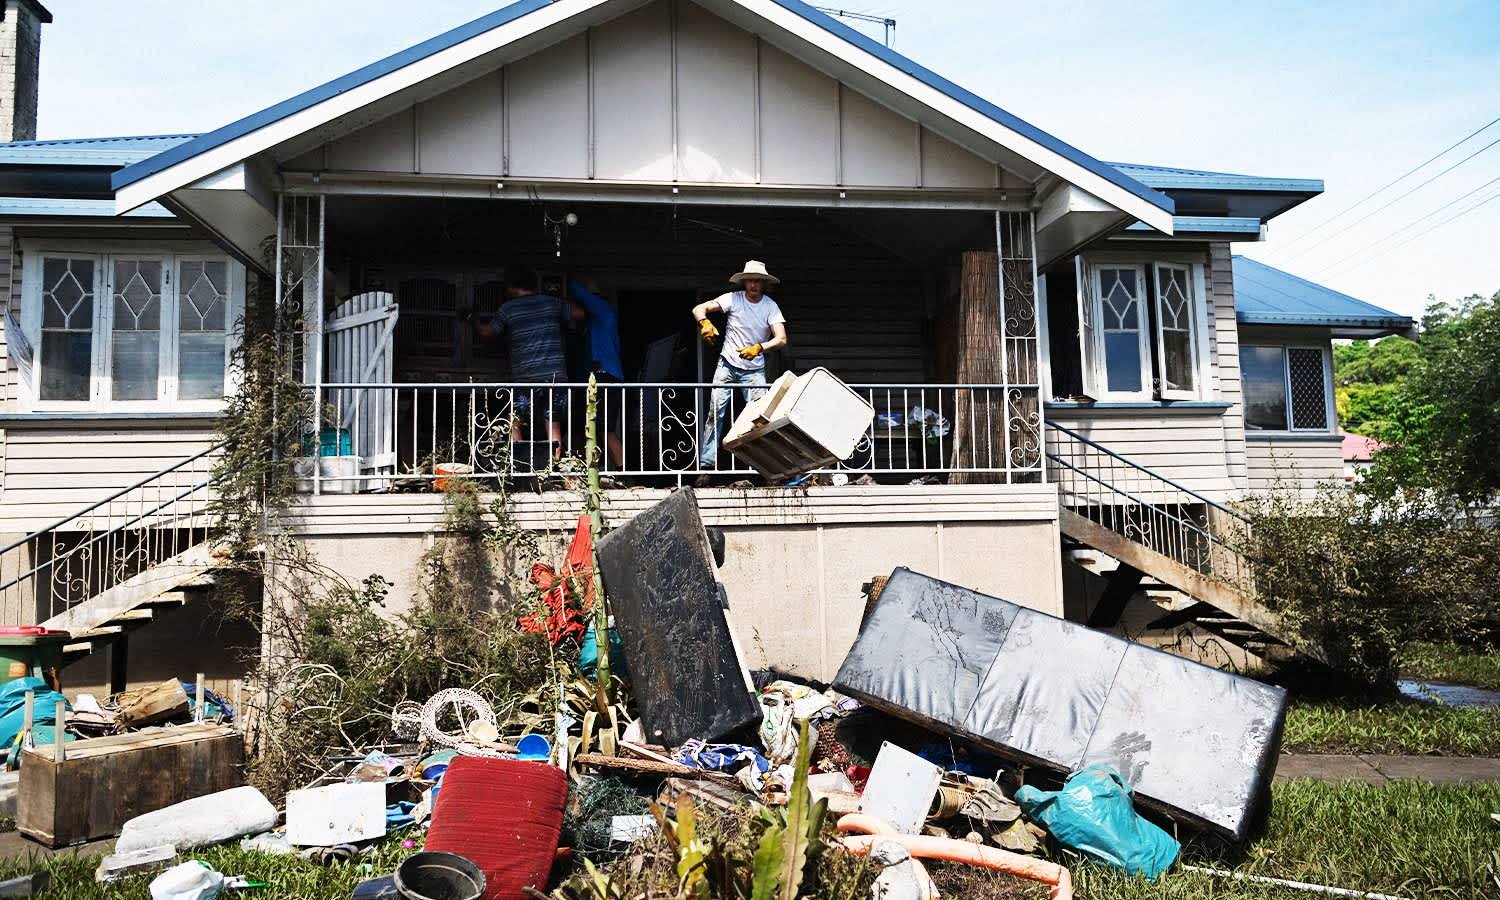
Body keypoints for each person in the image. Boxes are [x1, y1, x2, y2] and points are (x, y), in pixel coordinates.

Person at [690, 260, 789, 479]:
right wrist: (704, 322)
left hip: (754, 370)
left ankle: (765, 468)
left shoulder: (770, 306)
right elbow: (699, 308)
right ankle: (706, 466)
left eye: (758, 281)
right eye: (750, 280)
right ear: (744, 282)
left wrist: (759, 348)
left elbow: (781, 338)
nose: (753, 285)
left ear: (763, 284)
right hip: (726, 364)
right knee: (715, 413)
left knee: (760, 418)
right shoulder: (733, 298)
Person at [474, 264, 583, 450]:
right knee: (553, 426)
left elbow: (487, 333)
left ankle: (518, 462)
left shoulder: (508, 309)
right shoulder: (552, 303)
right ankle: (554, 465)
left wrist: (472, 319)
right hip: (554, 376)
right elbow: (580, 314)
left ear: (511, 286)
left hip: (526, 377)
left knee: (514, 422)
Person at [566, 276, 626, 469]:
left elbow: (578, 290)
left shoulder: (603, 310)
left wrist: (565, 276)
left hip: (606, 377)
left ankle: (625, 473)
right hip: (596, 379)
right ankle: (595, 471)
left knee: (604, 428)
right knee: (592, 428)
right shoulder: (592, 325)